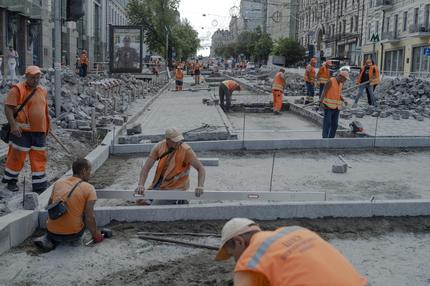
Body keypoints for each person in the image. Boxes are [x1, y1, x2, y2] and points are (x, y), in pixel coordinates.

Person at [215, 218, 369, 286]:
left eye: (233, 255)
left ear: (239, 242)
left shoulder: (249, 261)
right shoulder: (298, 231)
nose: (235, 261)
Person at [33, 158, 104, 251]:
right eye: (89, 170)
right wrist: (96, 235)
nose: (90, 173)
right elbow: (89, 217)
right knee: (84, 212)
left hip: (51, 232)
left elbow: (50, 205)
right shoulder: (89, 188)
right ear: (83, 171)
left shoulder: (58, 183)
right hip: (73, 235)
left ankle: (48, 238)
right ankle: (74, 238)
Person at [2, 66, 50, 193]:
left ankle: (39, 185)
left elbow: (44, 111)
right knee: (16, 157)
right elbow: (8, 108)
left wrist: (47, 128)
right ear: (26, 77)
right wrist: (13, 125)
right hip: (22, 132)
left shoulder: (42, 90)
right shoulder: (17, 89)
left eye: (38, 77)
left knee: (39, 158)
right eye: (33, 77)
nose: (35, 80)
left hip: (39, 131)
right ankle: (11, 181)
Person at [135, 128, 206, 205]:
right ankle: (177, 201)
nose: (178, 143)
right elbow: (146, 168)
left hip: (177, 187)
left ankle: (180, 200)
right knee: (139, 200)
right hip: (160, 184)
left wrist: (200, 186)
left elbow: (201, 168)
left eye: (179, 140)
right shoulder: (159, 147)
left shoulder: (186, 150)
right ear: (167, 140)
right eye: (175, 141)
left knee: (155, 206)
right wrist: (141, 185)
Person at [319, 70, 349, 138]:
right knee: (327, 123)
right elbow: (324, 91)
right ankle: (325, 138)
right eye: (345, 79)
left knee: (335, 124)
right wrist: (321, 102)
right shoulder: (330, 81)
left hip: (337, 107)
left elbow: (338, 94)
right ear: (341, 76)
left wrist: (344, 100)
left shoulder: (341, 83)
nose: (345, 81)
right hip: (328, 106)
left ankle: (331, 138)